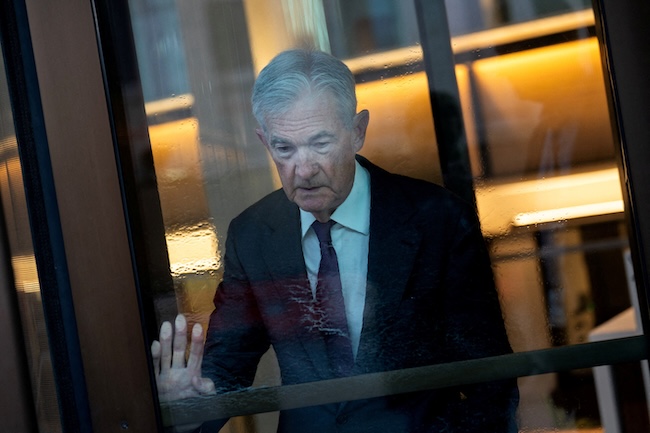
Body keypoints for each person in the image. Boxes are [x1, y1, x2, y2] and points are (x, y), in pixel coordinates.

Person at [151, 48, 518, 432]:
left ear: (357, 131)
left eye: (320, 143)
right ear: (264, 142)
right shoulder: (253, 234)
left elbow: (489, 376)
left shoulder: (438, 219)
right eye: (284, 148)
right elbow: (229, 361)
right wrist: (191, 408)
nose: (304, 170)